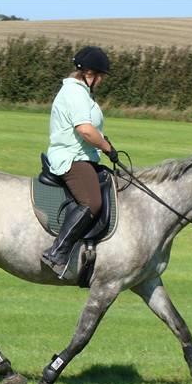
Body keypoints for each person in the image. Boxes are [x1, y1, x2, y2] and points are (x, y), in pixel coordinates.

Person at [41, 46, 119, 277]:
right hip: (71, 157)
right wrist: (106, 147)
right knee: (91, 202)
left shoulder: (81, 93)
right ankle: (57, 251)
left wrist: (103, 143)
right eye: (101, 76)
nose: (102, 81)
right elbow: (85, 130)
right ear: (89, 74)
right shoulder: (74, 93)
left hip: (84, 155)